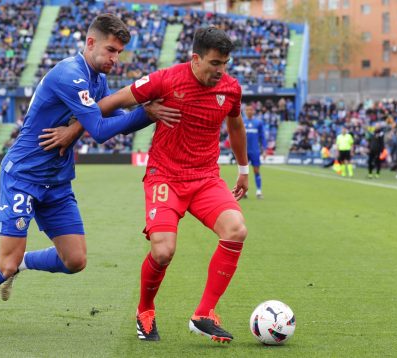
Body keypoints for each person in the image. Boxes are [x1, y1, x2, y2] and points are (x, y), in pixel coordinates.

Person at [0, 14, 179, 338]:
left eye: (120, 52)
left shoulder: (97, 79)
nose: (115, 58)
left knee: (75, 260)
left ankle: (23, 263)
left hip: (57, 181)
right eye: (111, 50)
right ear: (90, 42)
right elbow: (98, 129)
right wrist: (144, 113)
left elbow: (113, 116)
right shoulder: (71, 74)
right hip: (23, 177)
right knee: (4, 263)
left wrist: (143, 114)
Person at [43, 26, 248, 343]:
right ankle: (145, 310)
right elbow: (109, 103)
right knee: (164, 251)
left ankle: (204, 313)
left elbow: (236, 125)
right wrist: (72, 131)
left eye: (225, 64)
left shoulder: (231, 89)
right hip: (165, 176)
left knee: (236, 229)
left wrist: (243, 168)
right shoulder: (165, 79)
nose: (221, 72)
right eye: (214, 64)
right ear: (195, 59)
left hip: (206, 178)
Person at [242, 104, 266, 198]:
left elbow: (262, 137)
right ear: (245, 111)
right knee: (244, 172)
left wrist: (264, 150)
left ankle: (259, 191)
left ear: (253, 111)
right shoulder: (242, 121)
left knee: (256, 170)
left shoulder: (258, 123)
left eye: (250, 110)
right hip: (244, 151)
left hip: (255, 151)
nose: (249, 111)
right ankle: (244, 192)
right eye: (247, 110)